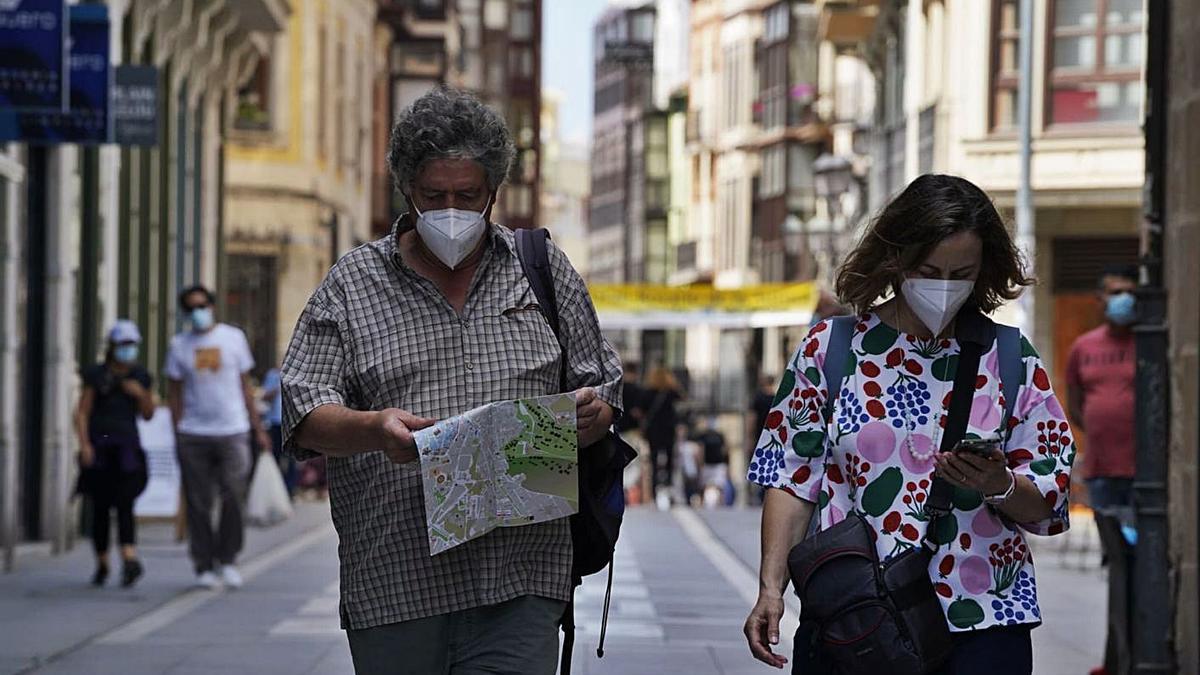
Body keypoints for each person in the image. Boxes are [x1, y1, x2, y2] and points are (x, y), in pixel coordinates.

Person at [280, 86, 622, 675]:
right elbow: (302, 407)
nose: (451, 210)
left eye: (468, 195)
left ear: (493, 192)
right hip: (397, 583)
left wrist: (595, 414)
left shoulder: (540, 267)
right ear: (406, 190)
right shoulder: (354, 281)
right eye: (433, 195)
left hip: (522, 577)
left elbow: (604, 382)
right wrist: (374, 429)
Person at [744, 174, 1074, 674]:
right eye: (929, 269)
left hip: (984, 620)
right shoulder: (831, 350)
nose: (943, 287)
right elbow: (792, 477)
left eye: (961, 273)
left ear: (983, 270)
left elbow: (1050, 502)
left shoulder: (1010, 358)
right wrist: (771, 588)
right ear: (896, 258)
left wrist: (999, 484)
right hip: (855, 614)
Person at [165, 285, 271, 590]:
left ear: (211, 306)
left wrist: (258, 429)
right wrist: (177, 430)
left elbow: (244, 387)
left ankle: (228, 559)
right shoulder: (179, 345)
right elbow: (174, 393)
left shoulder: (233, 338)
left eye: (202, 305)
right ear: (185, 313)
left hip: (233, 429)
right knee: (198, 502)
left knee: (233, 496)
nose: (198, 312)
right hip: (194, 433)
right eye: (191, 308)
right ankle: (203, 563)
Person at [73, 320, 155, 587]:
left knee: (125, 503)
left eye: (131, 345)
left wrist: (140, 394)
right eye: (123, 345)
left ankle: (129, 557)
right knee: (100, 505)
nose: (127, 350)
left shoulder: (140, 376)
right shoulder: (96, 375)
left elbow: (149, 414)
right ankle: (103, 562)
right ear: (112, 346)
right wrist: (85, 445)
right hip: (100, 445)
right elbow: (82, 412)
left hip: (127, 446)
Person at [1065, 265, 1137, 516]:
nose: (1124, 300)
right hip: (1100, 467)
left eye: (1130, 293)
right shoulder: (1083, 347)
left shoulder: (1148, 344)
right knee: (1111, 540)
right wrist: (1100, 432)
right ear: (1100, 299)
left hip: (1144, 470)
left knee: (1143, 543)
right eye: (1116, 293)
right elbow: (1074, 404)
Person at [642, 366, 683, 510]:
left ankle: (653, 494)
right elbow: (681, 398)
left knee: (654, 461)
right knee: (670, 461)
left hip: (653, 431)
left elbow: (640, 410)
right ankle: (670, 490)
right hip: (668, 430)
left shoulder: (648, 392)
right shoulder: (670, 392)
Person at [260, 367, 297, 498]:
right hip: (275, 422)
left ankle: (289, 490)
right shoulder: (272, 375)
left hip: (291, 422)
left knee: (292, 458)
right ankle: (275, 492)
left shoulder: (295, 373)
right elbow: (264, 396)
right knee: (275, 456)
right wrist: (276, 388)